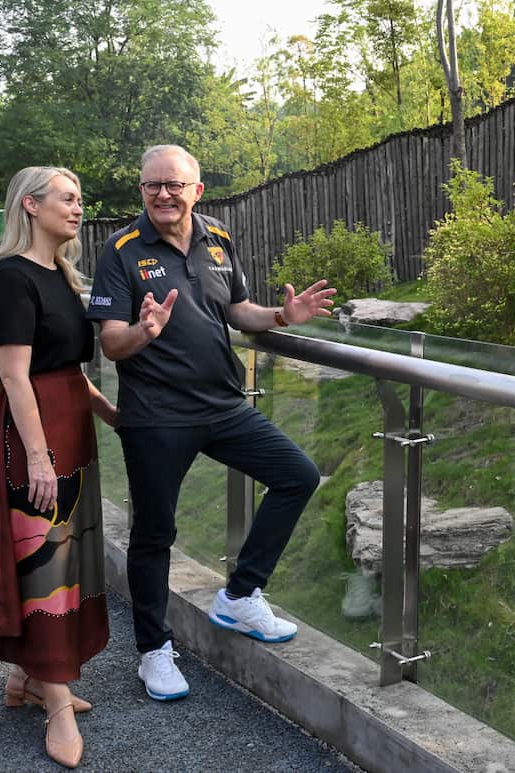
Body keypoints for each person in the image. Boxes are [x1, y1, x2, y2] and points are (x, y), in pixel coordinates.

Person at [88, 144, 334, 702]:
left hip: (223, 405)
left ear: (197, 190)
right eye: (152, 186)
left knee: (297, 474)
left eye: (174, 185)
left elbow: (236, 310)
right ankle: (154, 651)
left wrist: (280, 317)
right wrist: (142, 333)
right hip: (155, 418)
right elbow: (110, 341)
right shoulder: (121, 249)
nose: (163, 195)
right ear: (142, 192)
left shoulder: (217, 237)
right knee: (155, 534)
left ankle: (240, 595)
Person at [0, 166, 118, 769]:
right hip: (27, 429)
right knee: (41, 557)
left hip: (69, 422)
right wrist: (37, 455)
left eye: (81, 198)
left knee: (67, 553)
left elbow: (69, 364)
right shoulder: (10, 277)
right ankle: (53, 700)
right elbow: (13, 374)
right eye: (67, 199)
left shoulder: (62, 274)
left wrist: (109, 413)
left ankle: (29, 680)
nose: (78, 208)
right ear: (30, 205)